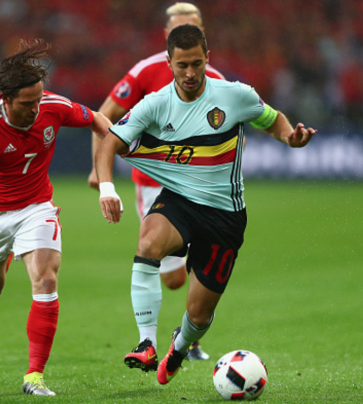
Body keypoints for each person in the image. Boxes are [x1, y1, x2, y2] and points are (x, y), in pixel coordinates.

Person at [96, 24, 316, 385]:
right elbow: (110, 142)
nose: (190, 73)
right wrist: (107, 188)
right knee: (148, 241)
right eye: (182, 65)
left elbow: (273, 119)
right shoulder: (154, 104)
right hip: (179, 200)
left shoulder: (235, 95)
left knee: (198, 313)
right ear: (168, 62)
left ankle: (179, 348)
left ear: (207, 58)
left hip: (224, 217)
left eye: (197, 64)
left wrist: (291, 138)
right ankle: (146, 343)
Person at [0, 39, 112, 396]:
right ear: (6, 100)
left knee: (45, 279)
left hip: (35, 207)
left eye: (39, 100)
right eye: (28, 104)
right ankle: (5, 254)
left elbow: (99, 121)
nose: (36, 109)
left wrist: (114, 158)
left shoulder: (53, 106)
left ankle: (34, 376)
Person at [88, 1, 221, 366]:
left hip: (202, 187)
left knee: (199, 261)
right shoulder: (146, 72)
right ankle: (177, 333)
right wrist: (98, 170)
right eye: (177, 29)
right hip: (153, 182)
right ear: (166, 37)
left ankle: (181, 337)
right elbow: (106, 114)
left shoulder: (220, 83)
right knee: (174, 277)